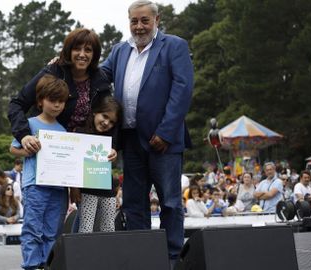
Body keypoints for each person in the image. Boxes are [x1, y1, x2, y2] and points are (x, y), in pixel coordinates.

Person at [100, 1, 194, 261]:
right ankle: (142, 259)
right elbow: (98, 77)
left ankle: (172, 258)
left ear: (156, 20)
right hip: (130, 140)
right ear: (128, 21)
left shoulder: (174, 46)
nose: (139, 26)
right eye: (134, 21)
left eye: (144, 20)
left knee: (171, 203)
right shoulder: (119, 50)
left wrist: (165, 132)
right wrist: (65, 66)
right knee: (133, 204)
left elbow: (182, 90)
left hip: (163, 141)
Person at [8, 28, 112, 153]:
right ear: (69, 51)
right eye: (77, 49)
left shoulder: (101, 79)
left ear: (94, 54)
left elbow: (111, 115)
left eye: (88, 50)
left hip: (86, 150)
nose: (82, 54)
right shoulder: (53, 71)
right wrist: (24, 135)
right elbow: (17, 104)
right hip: (49, 148)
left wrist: (112, 147)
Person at [10, 74, 70, 270]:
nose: (57, 105)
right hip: (35, 185)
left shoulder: (64, 130)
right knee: (33, 229)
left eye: (61, 101)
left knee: (53, 231)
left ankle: (46, 265)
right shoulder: (30, 124)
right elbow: (13, 149)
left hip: (59, 188)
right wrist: (27, 148)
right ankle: (31, 265)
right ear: (40, 101)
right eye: (53, 100)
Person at [70, 96, 121, 233]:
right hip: (87, 191)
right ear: (95, 112)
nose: (106, 123)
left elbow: (113, 158)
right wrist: (74, 187)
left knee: (109, 228)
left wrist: (114, 153)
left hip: (108, 190)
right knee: (85, 228)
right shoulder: (79, 133)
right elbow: (73, 162)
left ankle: (106, 253)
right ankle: (80, 254)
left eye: (111, 122)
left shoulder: (111, 139)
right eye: (104, 116)